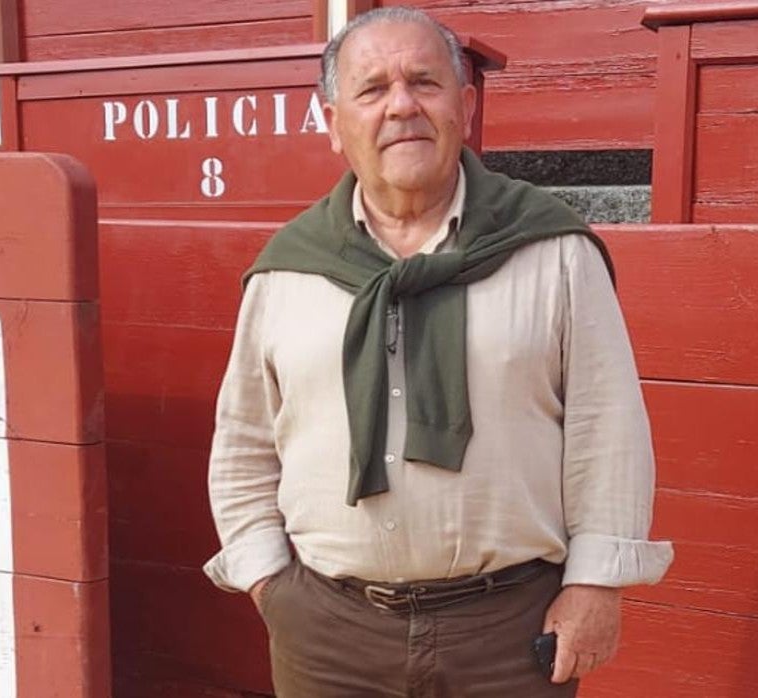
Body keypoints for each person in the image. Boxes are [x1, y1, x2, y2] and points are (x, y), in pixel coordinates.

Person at [204, 7, 672, 696]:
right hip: (330, 637)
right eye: (371, 90)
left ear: (466, 106)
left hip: (511, 634)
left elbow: (609, 433)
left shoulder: (553, 250)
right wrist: (270, 584)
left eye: (425, 82)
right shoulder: (288, 271)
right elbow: (243, 441)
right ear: (334, 123)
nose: (401, 106)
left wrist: (597, 585)